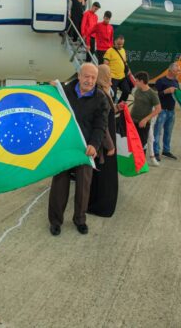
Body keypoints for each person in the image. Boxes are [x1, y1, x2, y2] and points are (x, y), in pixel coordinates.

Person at [48, 63, 108, 236]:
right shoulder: (64, 92)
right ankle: (55, 221)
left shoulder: (100, 98)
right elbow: (48, 100)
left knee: (84, 186)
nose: (90, 81)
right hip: (65, 146)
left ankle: (79, 220)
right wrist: (50, 88)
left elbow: (100, 125)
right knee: (59, 184)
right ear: (79, 76)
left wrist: (94, 145)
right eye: (87, 76)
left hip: (85, 148)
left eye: (93, 78)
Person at [88, 64, 118, 217]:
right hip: (105, 145)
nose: (111, 81)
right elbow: (102, 124)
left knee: (100, 176)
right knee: (104, 175)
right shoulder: (101, 94)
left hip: (104, 142)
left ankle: (95, 203)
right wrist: (110, 146)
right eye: (109, 77)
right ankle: (100, 206)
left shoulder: (101, 92)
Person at [153, 62, 181, 161]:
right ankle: (155, 152)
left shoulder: (176, 81)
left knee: (168, 132)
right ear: (171, 71)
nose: (179, 72)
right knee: (157, 132)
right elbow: (156, 95)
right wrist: (166, 91)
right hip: (162, 110)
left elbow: (179, 95)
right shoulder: (160, 81)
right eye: (177, 70)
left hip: (171, 111)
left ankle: (166, 151)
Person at [130, 71, 161, 149]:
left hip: (143, 124)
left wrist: (145, 120)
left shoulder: (152, 94)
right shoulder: (137, 90)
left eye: (136, 81)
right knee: (132, 144)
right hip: (133, 122)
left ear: (141, 81)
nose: (135, 82)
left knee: (141, 145)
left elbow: (158, 109)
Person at [103, 35, 131, 103]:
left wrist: (128, 69)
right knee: (113, 95)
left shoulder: (123, 50)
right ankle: (111, 108)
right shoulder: (109, 51)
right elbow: (105, 65)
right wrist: (107, 77)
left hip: (122, 76)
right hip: (113, 77)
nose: (120, 46)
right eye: (118, 44)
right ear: (114, 42)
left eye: (122, 44)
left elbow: (124, 62)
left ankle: (119, 105)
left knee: (127, 91)